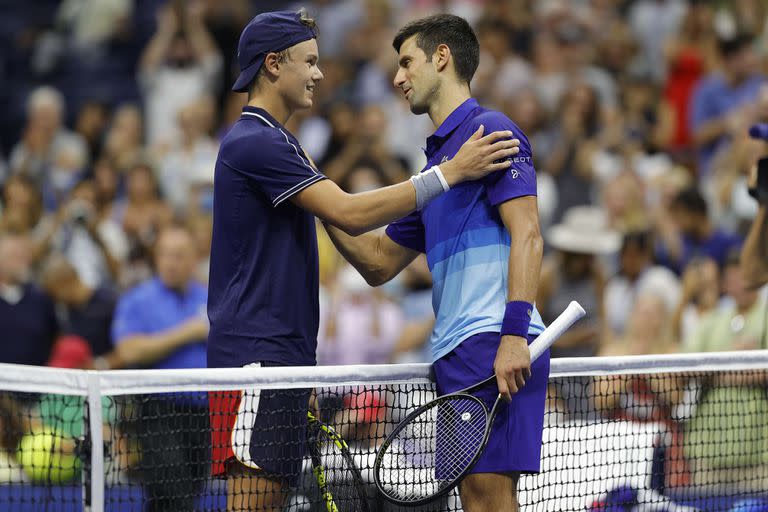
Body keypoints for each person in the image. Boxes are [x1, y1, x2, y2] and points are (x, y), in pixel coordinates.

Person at [205, 9, 521, 512]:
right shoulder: (255, 140)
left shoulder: (281, 143)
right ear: (272, 64)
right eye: (309, 61)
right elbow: (350, 213)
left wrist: (300, 371)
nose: (319, 73)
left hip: (282, 361)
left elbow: (375, 261)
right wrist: (450, 173)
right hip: (256, 360)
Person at [322, 14, 547, 512]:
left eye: (406, 62)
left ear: (441, 57)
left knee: (487, 498)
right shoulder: (436, 172)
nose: (397, 78)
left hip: (492, 340)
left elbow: (528, 233)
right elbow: (379, 263)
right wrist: (321, 207)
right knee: (475, 499)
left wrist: (513, 335)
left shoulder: (492, 130)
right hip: (460, 350)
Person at [112, 224, 209, 511]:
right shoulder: (137, 300)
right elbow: (129, 350)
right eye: (165, 254)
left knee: (171, 501)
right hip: (158, 413)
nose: (171, 262)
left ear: (194, 259)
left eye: (179, 255)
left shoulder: (209, 297)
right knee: (176, 499)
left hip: (204, 416)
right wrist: (188, 333)